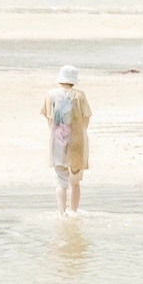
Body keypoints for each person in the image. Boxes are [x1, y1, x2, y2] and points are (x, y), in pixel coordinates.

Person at [41, 64, 91, 215]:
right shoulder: (80, 95)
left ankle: (62, 213)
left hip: (57, 143)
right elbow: (86, 117)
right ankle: (74, 212)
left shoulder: (51, 94)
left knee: (61, 182)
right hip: (77, 143)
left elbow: (47, 115)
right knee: (75, 182)